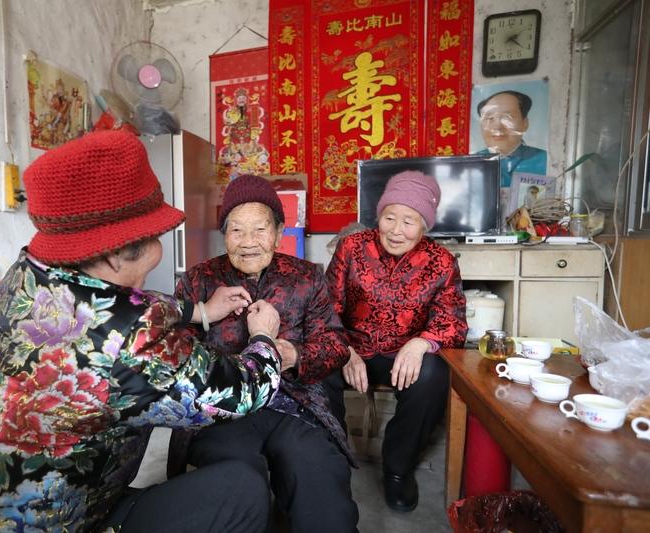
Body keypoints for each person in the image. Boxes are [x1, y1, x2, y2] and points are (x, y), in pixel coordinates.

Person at [0, 130, 284, 533]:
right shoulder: (131, 340)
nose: (159, 248)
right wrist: (264, 337)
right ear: (115, 254)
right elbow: (244, 393)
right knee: (242, 491)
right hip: (35, 524)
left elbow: (109, 302)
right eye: (155, 237)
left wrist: (197, 310)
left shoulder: (28, 273)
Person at [169, 174, 359, 532]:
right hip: (224, 406)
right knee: (235, 475)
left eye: (260, 229)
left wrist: (296, 355)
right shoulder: (199, 280)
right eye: (236, 230)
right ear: (224, 234)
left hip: (295, 403)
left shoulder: (307, 277)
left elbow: (335, 343)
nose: (248, 242)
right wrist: (208, 321)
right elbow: (176, 350)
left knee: (316, 472)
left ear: (279, 232)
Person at [326, 170, 467, 513]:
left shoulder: (441, 262)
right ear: (379, 215)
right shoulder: (352, 248)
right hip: (353, 350)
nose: (396, 230)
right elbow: (325, 308)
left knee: (435, 374)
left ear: (425, 226)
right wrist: (345, 351)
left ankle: (398, 469)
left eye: (409, 221)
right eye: (389, 217)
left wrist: (421, 344)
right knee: (318, 364)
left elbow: (453, 322)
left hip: (402, 357)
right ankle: (329, 461)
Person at [475, 90, 547, 187]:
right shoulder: (471, 163)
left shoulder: (545, 160)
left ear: (525, 123)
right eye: (490, 118)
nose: (497, 126)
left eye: (507, 117)